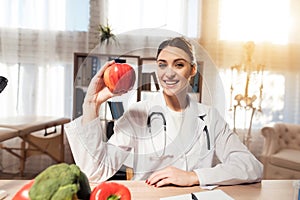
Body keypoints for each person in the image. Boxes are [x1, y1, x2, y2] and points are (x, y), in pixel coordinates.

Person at [65, 37, 263, 187]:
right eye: (162, 65)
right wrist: (91, 104)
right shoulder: (138, 114)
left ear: (192, 70)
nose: (169, 73)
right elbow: (94, 172)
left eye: (179, 64)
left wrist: (194, 176)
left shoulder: (209, 117)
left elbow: (251, 166)